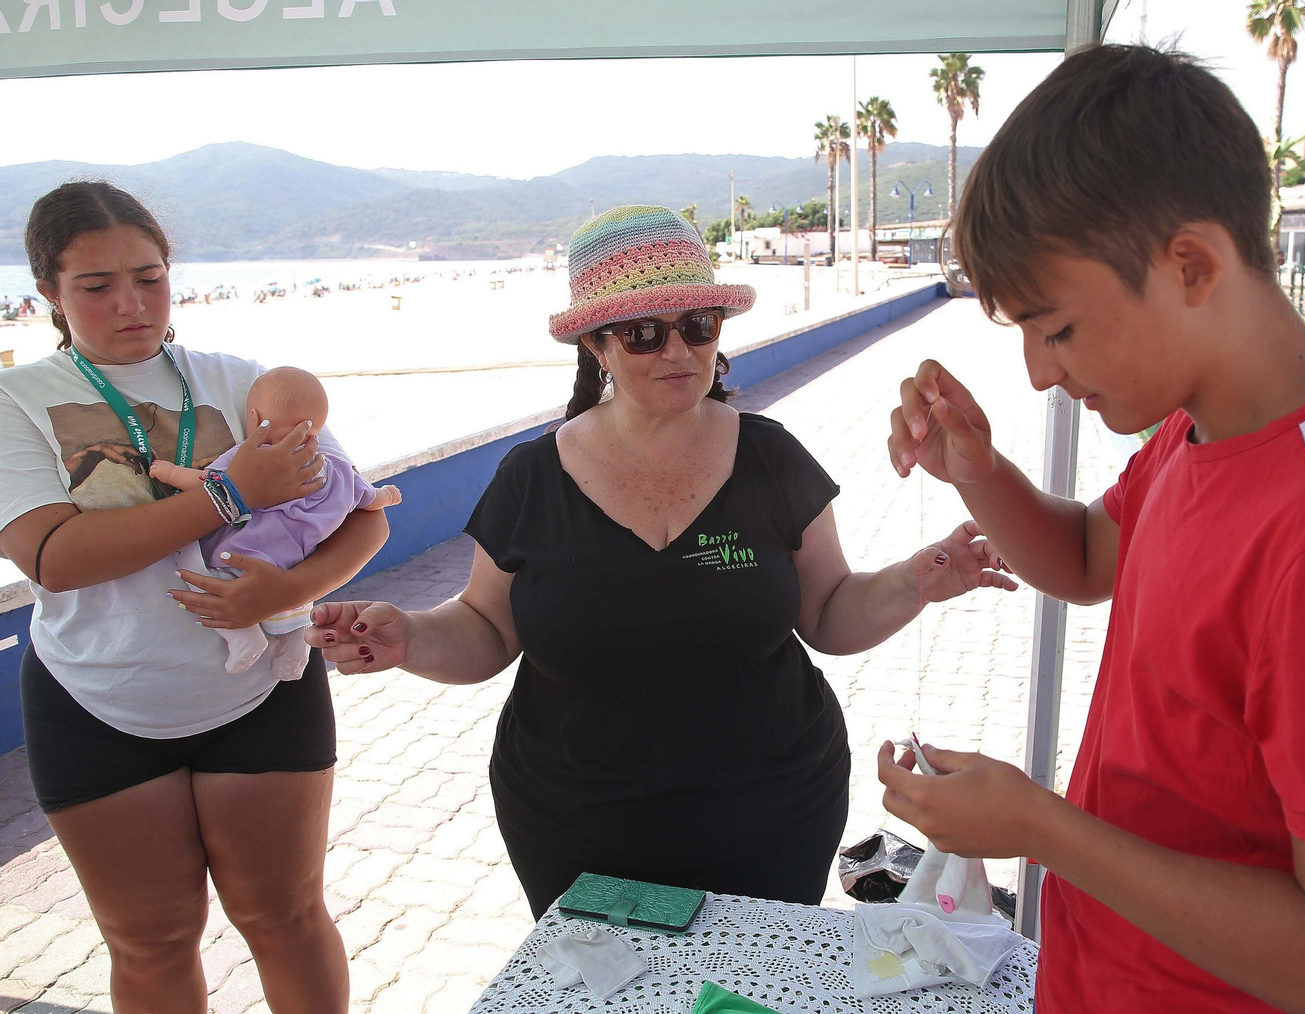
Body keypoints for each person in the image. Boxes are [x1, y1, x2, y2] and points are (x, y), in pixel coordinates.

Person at [877, 46, 1305, 1014]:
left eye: (1059, 329)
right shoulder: (1197, 427)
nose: (1041, 373)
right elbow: (1088, 557)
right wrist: (978, 471)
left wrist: (1039, 827)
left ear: (1192, 266)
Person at [309, 205, 1016, 917]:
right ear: (596, 345)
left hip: (774, 816)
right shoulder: (531, 477)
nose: (678, 352)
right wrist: (409, 637)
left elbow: (829, 613)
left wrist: (916, 580)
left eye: (698, 326)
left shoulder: (771, 458)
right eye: (644, 333)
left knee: (751, 994)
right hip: (577, 826)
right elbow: (485, 630)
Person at [0, 181, 388, 1014]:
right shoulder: (14, 399)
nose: (131, 304)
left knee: (283, 916)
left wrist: (290, 589)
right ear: (50, 296)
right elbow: (53, 555)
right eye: (95, 286)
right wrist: (228, 495)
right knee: (150, 940)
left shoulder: (242, 380)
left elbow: (360, 517)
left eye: (149, 276)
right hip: (95, 697)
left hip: (260, 690)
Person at [152, 366, 402, 680]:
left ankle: (243, 637)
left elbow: (207, 483)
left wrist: (168, 473)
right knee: (295, 604)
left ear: (255, 420)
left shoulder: (250, 457)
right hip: (296, 560)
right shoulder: (335, 468)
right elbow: (369, 500)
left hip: (243, 552)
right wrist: (388, 495)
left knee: (190, 565)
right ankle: (296, 647)